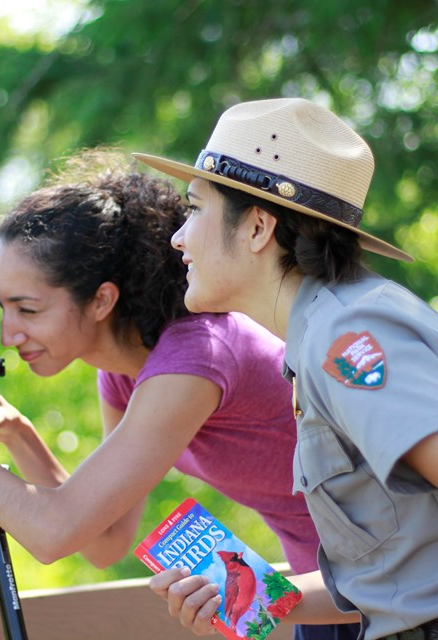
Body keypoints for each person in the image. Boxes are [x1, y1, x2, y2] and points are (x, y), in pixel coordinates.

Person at [0, 151, 358, 640]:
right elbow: (104, 541)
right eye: (2, 306)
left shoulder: (195, 358)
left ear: (101, 299)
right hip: (327, 591)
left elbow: (53, 533)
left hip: (380, 583)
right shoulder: (125, 372)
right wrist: (18, 435)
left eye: (28, 310)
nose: (8, 334)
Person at [133, 98, 438, 640]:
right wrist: (251, 591)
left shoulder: (346, 336)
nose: (179, 237)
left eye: (196, 208)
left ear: (256, 227)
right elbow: (392, 582)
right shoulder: (319, 335)